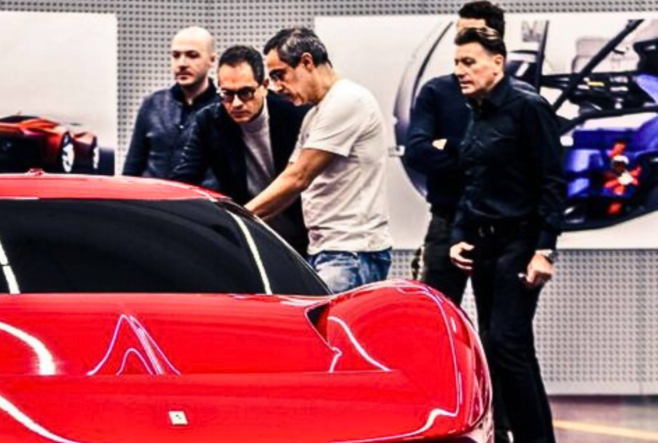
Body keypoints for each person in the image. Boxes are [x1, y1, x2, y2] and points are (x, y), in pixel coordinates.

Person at [450, 26, 564, 443]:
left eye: (469, 62)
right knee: (503, 352)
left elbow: (552, 183)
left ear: (498, 62)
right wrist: (459, 234)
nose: (460, 71)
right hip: (485, 246)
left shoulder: (528, 107)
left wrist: (544, 248)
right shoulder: (476, 112)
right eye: (457, 64)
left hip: (520, 244)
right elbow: (471, 181)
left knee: (508, 347)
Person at [245, 27, 391, 293]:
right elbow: (289, 178)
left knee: (329, 335)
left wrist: (239, 216)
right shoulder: (315, 115)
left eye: (280, 75)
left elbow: (298, 177)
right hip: (330, 251)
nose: (277, 87)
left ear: (307, 62)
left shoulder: (347, 100)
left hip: (350, 253)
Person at [404, 1, 510, 307]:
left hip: (497, 224)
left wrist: (449, 145)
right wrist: (477, 158)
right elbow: (417, 153)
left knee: (498, 329)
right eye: (460, 33)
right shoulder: (437, 92)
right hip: (447, 219)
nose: (464, 43)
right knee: (435, 318)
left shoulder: (516, 98)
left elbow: (515, 164)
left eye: (473, 34)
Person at [170, 45, 311, 255]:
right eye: (226, 93)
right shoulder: (209, 122)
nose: (235, 103)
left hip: (302, 233)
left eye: (245, 93)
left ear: (264, 85)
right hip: (248, 237)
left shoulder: (296, 114)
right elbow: (185, 180)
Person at [123, 26, 220, 183]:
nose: (182, 63)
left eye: (192, 55)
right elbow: (132, 167)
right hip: (149, 202)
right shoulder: (152, 104)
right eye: (176, 55)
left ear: (212, 60)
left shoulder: (222, 109)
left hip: (198, 204)